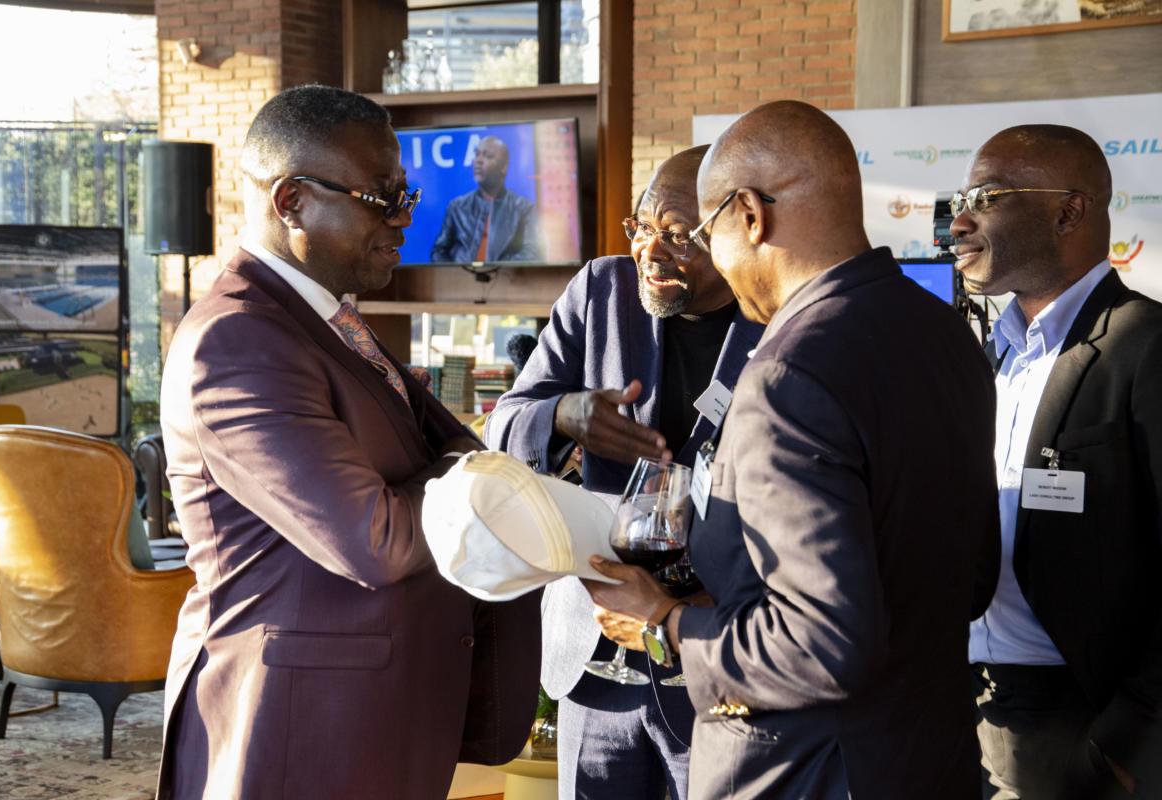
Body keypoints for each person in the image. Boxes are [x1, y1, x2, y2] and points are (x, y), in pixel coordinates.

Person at [585, 100, 1000, 800]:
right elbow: (971, 576)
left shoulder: (787, 372)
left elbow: (819, 645)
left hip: (805, 772)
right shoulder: (942, 329)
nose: (715, 263)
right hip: (931, 756)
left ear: (750, 214)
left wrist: (666, 623)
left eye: (704, 234)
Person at [156, 85, 540, 800]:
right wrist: (472, 471)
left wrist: (466, 462)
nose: (404, 217)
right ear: (292, 201)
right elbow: (376, 539)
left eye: (405, 195)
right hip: (298, 734)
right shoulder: (237, 340)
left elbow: (454, 446)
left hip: (372, 724)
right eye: (381, 198)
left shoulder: (326, 320)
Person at [485, 145, 765, 800]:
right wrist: (566, 415)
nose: (651, 251)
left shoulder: (775, 312)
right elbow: (506, 424)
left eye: (678, 235)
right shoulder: (602, 292)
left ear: (731, 230)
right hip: (597, 652)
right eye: (642, 227)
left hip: (713, 648)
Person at [954, 125, 1162, 799]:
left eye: (986, 197)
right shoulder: (994, 352)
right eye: (961, 199)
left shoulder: (1146, 345)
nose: (959, 221)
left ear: (1068, 212)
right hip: (970, 708)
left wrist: (1127, 744)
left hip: (1083, 727)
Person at [431, 135, 541, 263]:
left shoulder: (522, 208)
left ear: (504, 167)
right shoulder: (457, 207)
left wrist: (498, 266)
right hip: (460, 274)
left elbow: (532, 253)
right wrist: (458, 268)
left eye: (488, 156)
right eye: (477, 154)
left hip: (507, 275)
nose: (478, 160)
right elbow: (438, 252)